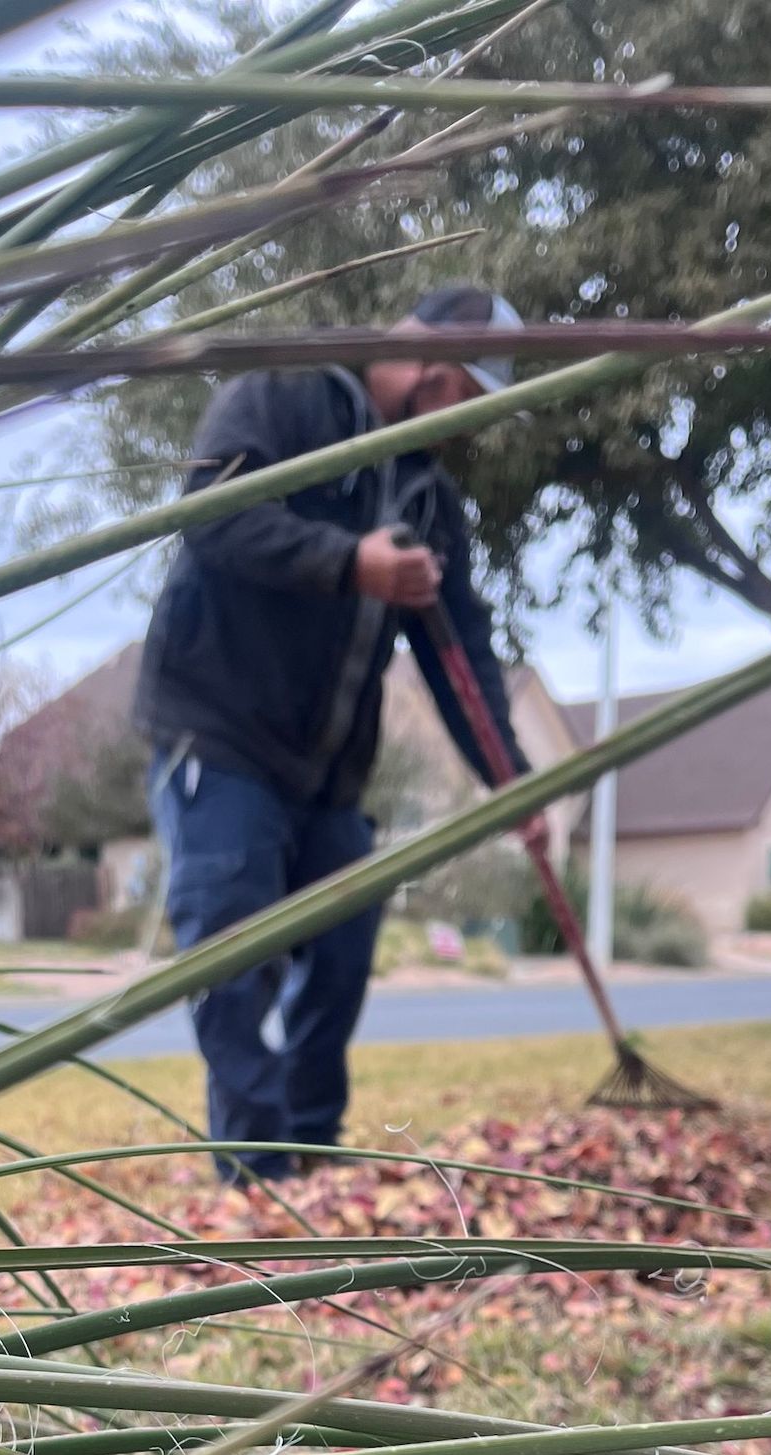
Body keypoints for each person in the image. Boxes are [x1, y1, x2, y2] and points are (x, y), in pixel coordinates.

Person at [135, 281, 546, 1184]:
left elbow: (459, 652)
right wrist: (348, 562)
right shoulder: (283, 393)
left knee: (345, 943)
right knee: (233, 951)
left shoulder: (430, 500)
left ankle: (312, 1157)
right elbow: (208, 516)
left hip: (327, 774)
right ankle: (256, 1175)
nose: (463, 428)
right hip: (220, 737)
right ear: (438, 374)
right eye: (468, 405)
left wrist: (513, 781)